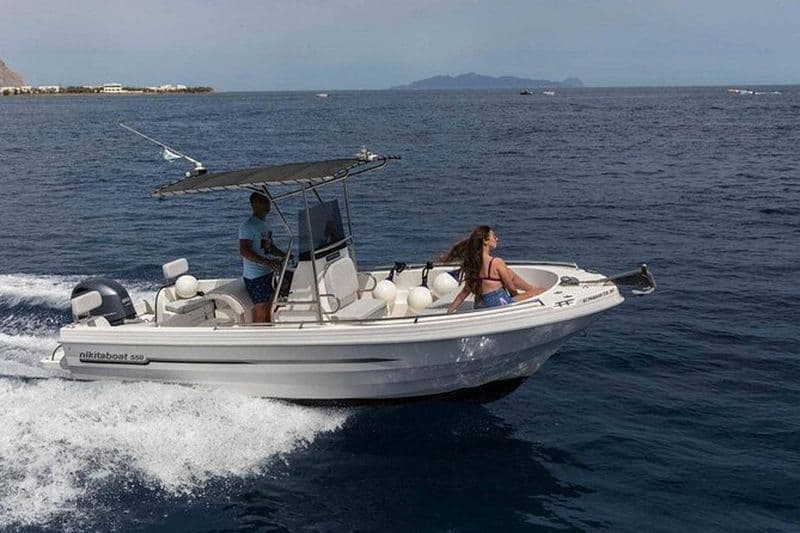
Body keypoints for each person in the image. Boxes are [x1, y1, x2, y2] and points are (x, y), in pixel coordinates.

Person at [442, 226, 543, 313]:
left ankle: (530, 288)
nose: (497, 239)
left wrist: (450, 311)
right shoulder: (496, 262)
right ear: (485, 241)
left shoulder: (473, 264)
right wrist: (519, 299)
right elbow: (511, 289)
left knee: (509, 272)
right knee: (540, 291)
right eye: (494, 236)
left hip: (479, 304)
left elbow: (464, 293)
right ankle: (532, 289)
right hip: (497, 302)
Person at [239, 193, 286, 322]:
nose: (267, 204)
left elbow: (269, 247)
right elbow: (244, 251)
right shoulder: (248, 226)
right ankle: (258, 332)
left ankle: (269, 330)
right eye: (262, 201)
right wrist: (266, 262)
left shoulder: (264, 225)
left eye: (267, 201)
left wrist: (285, 255)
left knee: (271, 306)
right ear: (254, 205)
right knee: (262, 308)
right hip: (255, 276)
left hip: (268, 272)